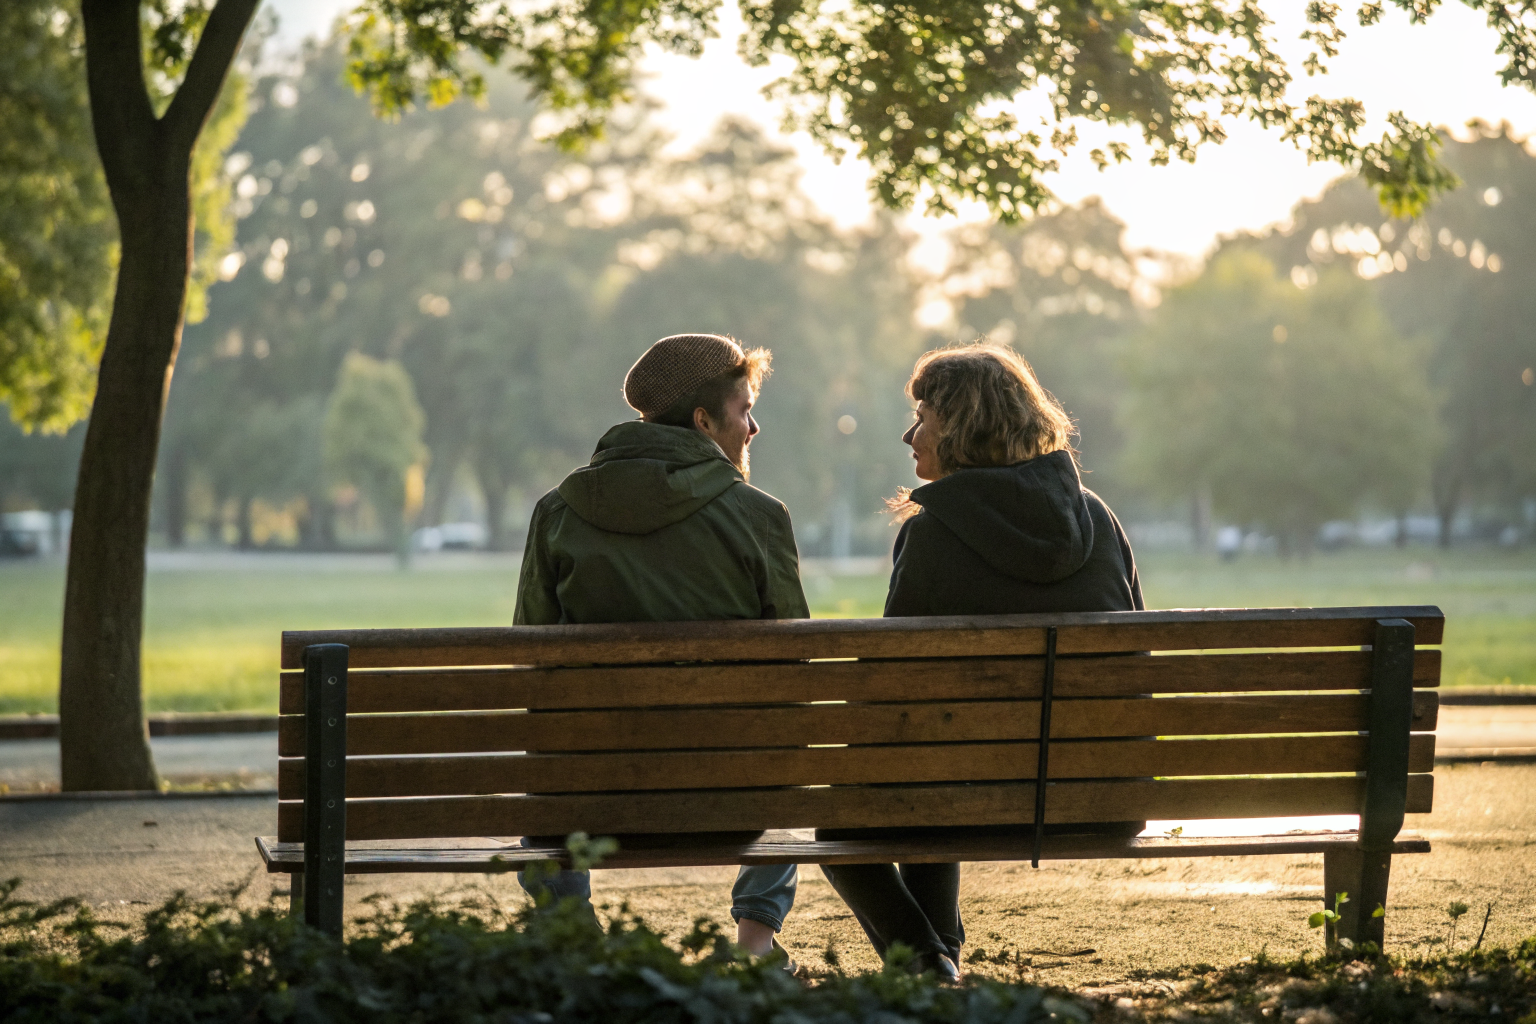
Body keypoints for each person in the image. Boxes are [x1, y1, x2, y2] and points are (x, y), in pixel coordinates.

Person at [818, 342, 1145, 980]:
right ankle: (937, 955)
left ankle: (926, 959)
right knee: (931, 774)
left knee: (852, 818)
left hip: (963, 790)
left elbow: (891, 694)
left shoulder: (933, 531)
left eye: (922, 417)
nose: (908, 434)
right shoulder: (1097, 520)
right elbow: (1134, 663)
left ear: (962, 426)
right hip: (1103, 791)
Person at [514, 333, 807, 963]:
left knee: (549, 753)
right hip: (731, 801)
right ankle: (756, 941)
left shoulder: (558, 513)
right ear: (703, 422)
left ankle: (570, 930)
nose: (754, 427)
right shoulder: (760, 518)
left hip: (588, 802)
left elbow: (530, 667)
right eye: (744, 410)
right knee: (781, 737)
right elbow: (795, 669)